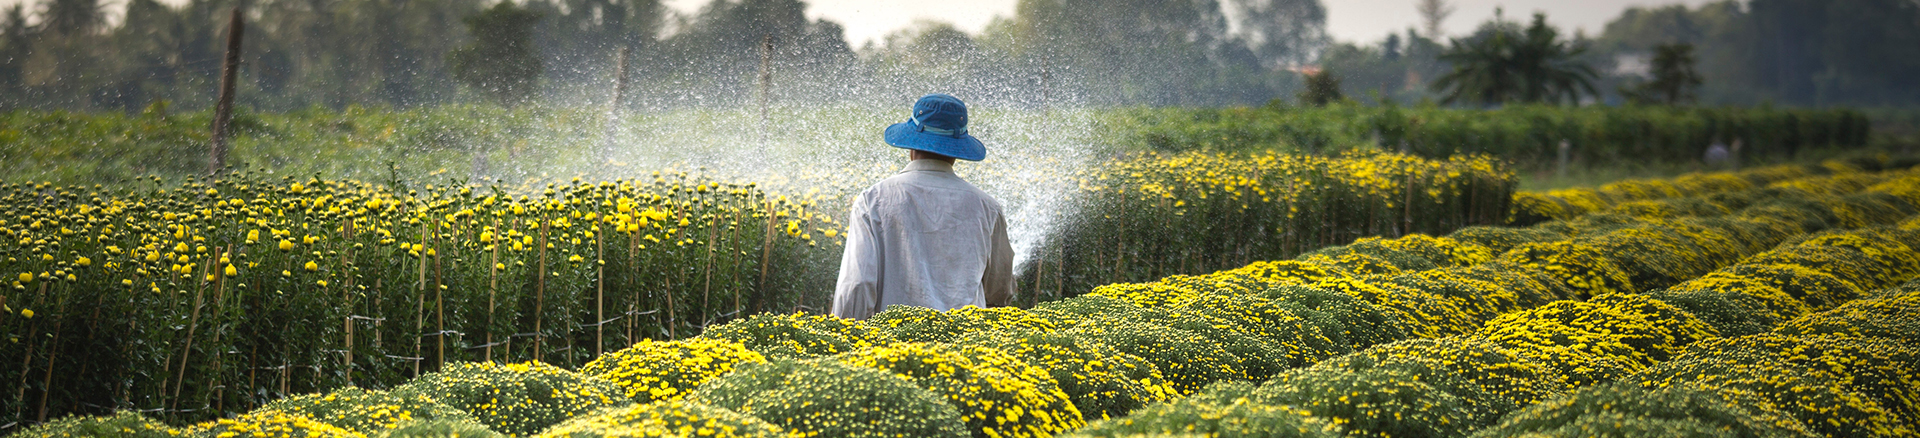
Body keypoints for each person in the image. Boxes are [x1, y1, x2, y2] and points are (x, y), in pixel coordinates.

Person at [831, 94, 1015, 320]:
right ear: (957, 151)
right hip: (966, 347)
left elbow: (857, 285)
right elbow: (1000, 290)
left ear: (911, 145)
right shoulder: (987, 208)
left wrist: (848, 338)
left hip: (888, 346)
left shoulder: (874, 200)